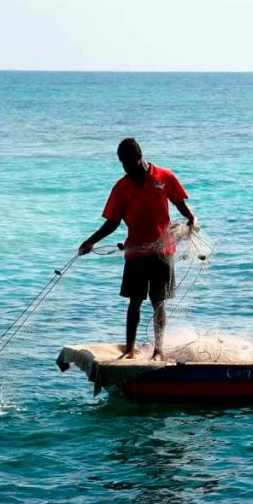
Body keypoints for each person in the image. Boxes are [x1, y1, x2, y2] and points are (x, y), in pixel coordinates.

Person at [78, 138, 197, 360]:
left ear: (139, 158)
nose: (125, 168)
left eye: (128, 163)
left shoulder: (164, 176)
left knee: (158, 302)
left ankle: (159, 350)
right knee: (134, 302)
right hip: (135, 253)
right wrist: (90, 241)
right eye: (122, 164)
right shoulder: (121, 187)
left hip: (163, 250)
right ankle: (130, 350)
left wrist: (191, 218)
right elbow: (112, 223)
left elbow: (179, 201)